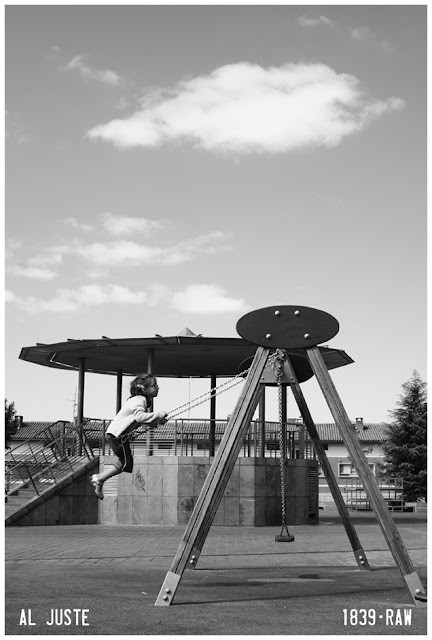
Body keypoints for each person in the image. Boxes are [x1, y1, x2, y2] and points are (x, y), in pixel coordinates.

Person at [90, 373, 168, 500]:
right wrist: (159, 414)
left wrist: (156, 421)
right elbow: (140, 417)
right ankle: (99, 478)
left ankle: (99, 479)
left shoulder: (140, 400)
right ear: (144, 389)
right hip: (117, 436)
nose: (158, 388)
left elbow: (140, 420)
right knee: (126, 463)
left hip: (120, 436)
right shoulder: (138, 400)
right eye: (154, 385)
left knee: (125, 463)